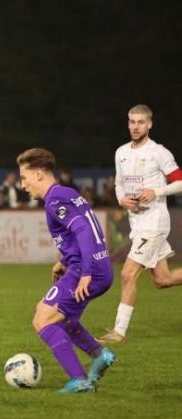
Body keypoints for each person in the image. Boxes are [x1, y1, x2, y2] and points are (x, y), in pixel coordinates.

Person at [17, 147, 116, 393]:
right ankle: (100, 355)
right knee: (63, 319)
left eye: (24, 176)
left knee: (42, 318)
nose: (23, 184)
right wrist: (64, 260)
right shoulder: (66, 192)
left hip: (87, 269)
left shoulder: (54, 199)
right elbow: (82, 231)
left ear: (38, 174)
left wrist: (85, 273)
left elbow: (82, 229)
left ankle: (79, 380)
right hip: (96, 265)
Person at [97, 105, 182, 344]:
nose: (136, 126)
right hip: (138, 222)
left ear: (150, 124)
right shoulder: (121, 152)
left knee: (127, 273)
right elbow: (119, 184)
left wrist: (156, 191)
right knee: (162, 279)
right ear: (128, 123)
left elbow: (180, 181)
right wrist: (121, 199)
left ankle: (119, 332)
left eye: (141, 122)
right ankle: (119, 331)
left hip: (155, 222)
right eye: (132, 122)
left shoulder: (159, 152)